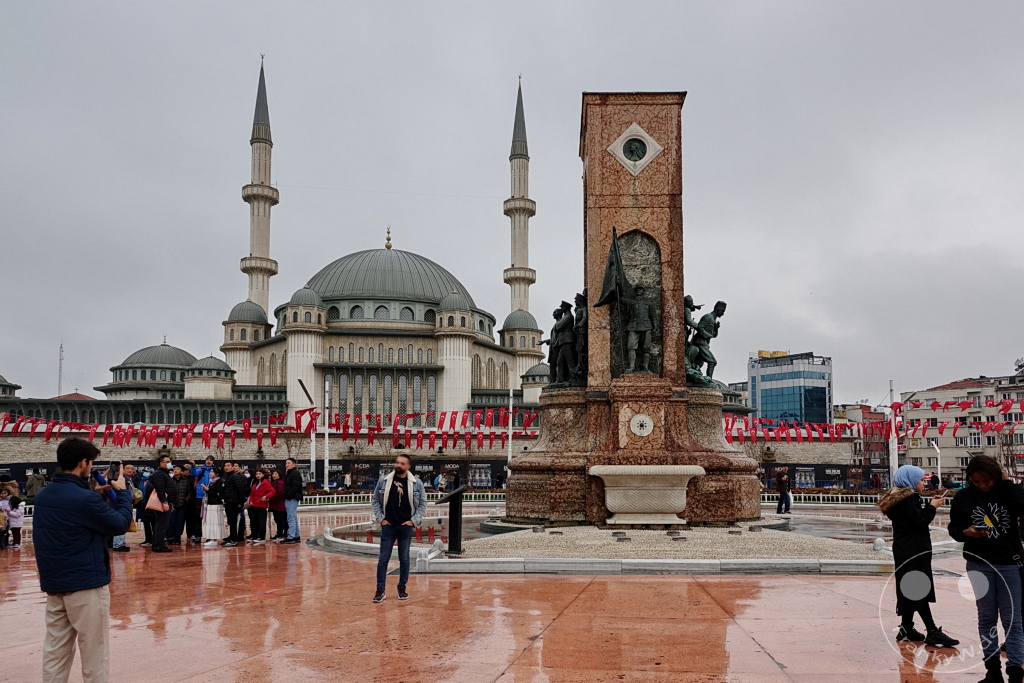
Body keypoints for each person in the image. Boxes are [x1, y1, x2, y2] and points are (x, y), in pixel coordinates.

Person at [33, 437, 132, 683]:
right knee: (94, 651)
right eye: (91, 463)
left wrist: (93, 492)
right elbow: (119, 524)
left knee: (56, 648)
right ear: (83, 463)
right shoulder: (85, 500)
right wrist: (125, 493)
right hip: (85, 584)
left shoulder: (45, 495)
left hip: (55, 583)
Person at [948, 455, 1024, 683]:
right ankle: (992, 672)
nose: (981, 485)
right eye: (976, 481)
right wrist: (966, 533)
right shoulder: (964, 496)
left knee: (1013, 619)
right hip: (978, 563)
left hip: (1009, 563)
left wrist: (1006, 481)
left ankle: (1015, 672)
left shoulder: (1006, 492)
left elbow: (1022, 505)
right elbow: (954, 528)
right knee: (987, 617)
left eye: (986, 481)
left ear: (994, 476)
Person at [878, 465, 958, 647]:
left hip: (907, 549)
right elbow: (919, 521)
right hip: (913, 550)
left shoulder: (900, 499)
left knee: (911, 588)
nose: (924, 483)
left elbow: (912, 520)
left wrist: (929, 505)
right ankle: (932, 631)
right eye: (921, 480)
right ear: (910, 481)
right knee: (917, 588)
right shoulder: (908, 499)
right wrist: (932, 507)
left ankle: (906, 628)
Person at [371, 453, 427, 603]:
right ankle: (380, 590)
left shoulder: (416, 483)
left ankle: (402, 587)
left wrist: (413, 521)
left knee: (404, 558)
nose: (399, 465)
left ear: (408, 466)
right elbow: (375, 500)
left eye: (402, 463)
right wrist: (381, 519)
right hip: (388, 526)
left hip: (405, 527)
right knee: (383, 559)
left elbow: (422, 504)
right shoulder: (384, 481)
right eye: (397, 463)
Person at [148, 455, 175, 554]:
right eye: (167, 461)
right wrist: (165, 502)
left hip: (167, 502)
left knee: (161, 524)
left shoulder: (165, 473)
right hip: (162, 502)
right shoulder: (159, 474)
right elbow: (160, 489)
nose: (169, 463)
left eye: (170, 461)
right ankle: (159, 545)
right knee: (161, 524)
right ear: (161, 463)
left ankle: (158, 544)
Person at [221, 461, 249, 547]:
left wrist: (240, 502)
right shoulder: (228, 476)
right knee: (230, 521)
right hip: (228, 501)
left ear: (233, 467)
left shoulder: (235, 476)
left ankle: (233, 539)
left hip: (234, 502)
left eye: (228, 466)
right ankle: (231, 537)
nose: (226, 467)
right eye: (225, 466)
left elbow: (240, 489)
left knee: (233, 521)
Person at [111, 464, 137, 553]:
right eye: (128, 468)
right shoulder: (120, 479)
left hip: (126, 503)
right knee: (121, 522)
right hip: (120, 504)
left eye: (132, 469)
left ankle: (118, 543)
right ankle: (119, 544)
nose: (130, 470)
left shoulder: (129, 480)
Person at [188, 457, 215, 543]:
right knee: (198, 517)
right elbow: (194, 473)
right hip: (200, 496)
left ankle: (210, 536)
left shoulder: (215, 471)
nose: (208, 461)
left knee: (210, 517)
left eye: (210, 460)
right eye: (207, 460)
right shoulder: (201, 470)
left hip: (211, 496)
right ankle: (198, 535)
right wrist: (193, 465)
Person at [165, 465, 192, 545]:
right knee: (171, 521)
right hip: (172, 504)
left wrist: (186, 500)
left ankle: (177, 537)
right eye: (174, 469)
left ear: (182, 471)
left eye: (178, 469)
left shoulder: (186, 481)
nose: (176, 470)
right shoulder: (169, 480)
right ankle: (170, 537)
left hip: (182, 505)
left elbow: (190, 492)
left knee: (180, 521)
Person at [200, 467, 226, 547]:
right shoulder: (211, 482)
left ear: (217, 474)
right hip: (209, 504)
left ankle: (215, 539)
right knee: (210, 522)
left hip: (216, 505)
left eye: (212, 472)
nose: (210, 473)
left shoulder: (220, 482)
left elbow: (219, 495)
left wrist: (207, 490)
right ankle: (211, 538)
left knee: (215, 522)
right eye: (210, 471)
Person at [247, 469, 274, 543]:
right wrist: (251, 501)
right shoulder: (255, 483)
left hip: (261, 505)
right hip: (254, 505)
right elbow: (252, 493)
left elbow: (272, 491)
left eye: (259, 474)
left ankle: (262, 536)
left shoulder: (266, 483)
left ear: (263, 475)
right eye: (257, 474)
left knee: (261, 522)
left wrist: (266, 496)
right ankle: (255, 535)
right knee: (254, 521)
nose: (258, 475)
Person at [280, 458, 303, 544]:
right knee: (293, 517)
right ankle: (296, 535)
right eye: (286, 463)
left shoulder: (295, 474)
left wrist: (288, 496)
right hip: (291, 498)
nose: (287, 465)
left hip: (292, 498)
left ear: (294, 464)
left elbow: (295, 486)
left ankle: (291, 536)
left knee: (291, 518)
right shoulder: (290, 473)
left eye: (289, 463)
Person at [268, 469, 287, 540]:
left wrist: (272, 500)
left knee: (279, 520)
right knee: (277, 519)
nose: (274, 475)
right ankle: (280, 533)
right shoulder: (274, 483)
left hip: (279, 504)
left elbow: (280, 493)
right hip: (275, 505)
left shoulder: (280, 483)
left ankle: (280, 534)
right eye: (273, 474)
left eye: (276, 474)